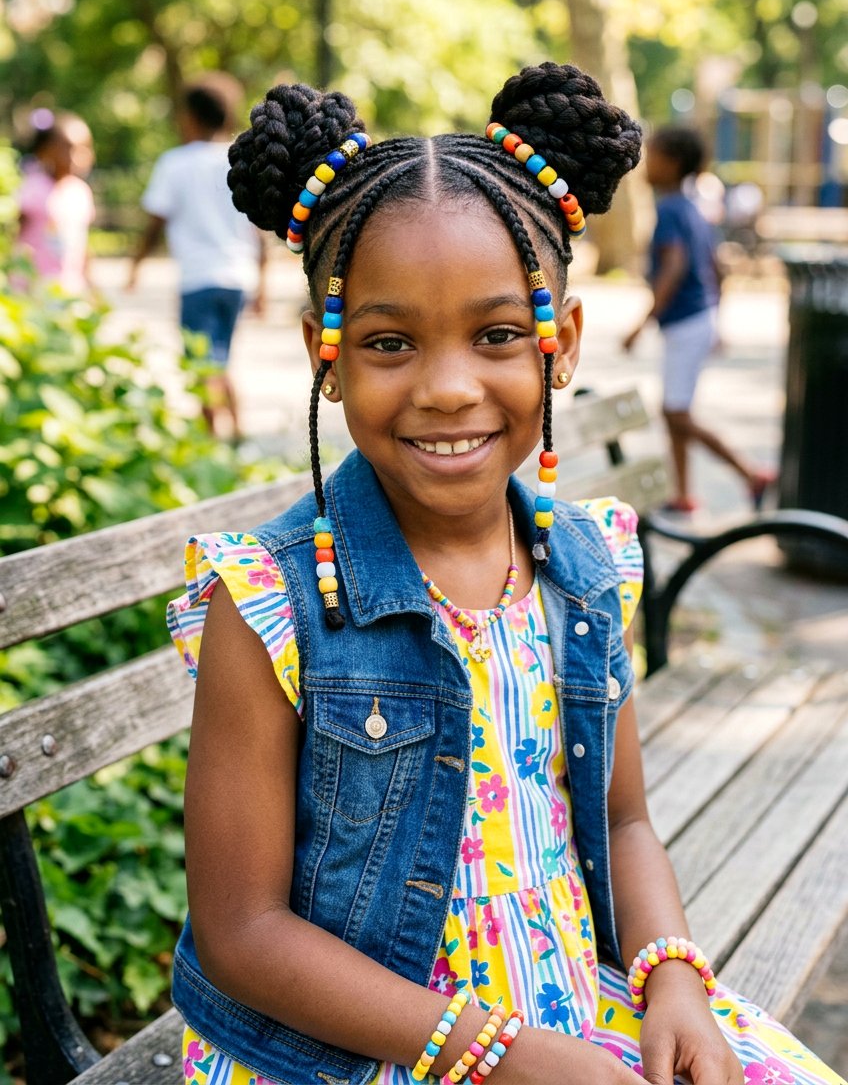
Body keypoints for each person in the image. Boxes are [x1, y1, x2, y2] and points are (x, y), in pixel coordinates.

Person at [167, 66, 843, 1085]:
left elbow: (620, 820)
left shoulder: (582, 568)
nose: (447, 388)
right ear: (326, 352)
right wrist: (495, 1049)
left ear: (557, 345)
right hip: (360, 1049)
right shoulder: (269, 602)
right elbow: (241, 931)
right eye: (389, 342)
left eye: (495, 335)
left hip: (560, 1007)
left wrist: (669, 980)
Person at [622, 125, 775, 513]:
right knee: (677, 411)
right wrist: (715, 320)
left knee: (675, 413)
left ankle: (750, 472)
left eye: (652, 154)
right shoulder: (692, 207)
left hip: (686, 322)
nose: (645, 162)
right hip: (696, 319)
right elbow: (716, 268)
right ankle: (683, 493)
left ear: (671, 163)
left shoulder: (671, 209)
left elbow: (675, 266)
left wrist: (642, 322)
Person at [129, 72, 267, 441]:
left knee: (202, 365)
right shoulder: (239, 161)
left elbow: (154, 223)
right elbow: (258, 228)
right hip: (238, 277)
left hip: (199, 280)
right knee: (220, 359)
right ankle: (238, 433)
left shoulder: (175, 164)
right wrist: (263, 282)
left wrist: (135, 266)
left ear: (189, 117)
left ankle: (213, 442)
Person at [16, 109, 96, 295]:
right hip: (34, 286)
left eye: (83, 148)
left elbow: (83, 242)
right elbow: (15, 234)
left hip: (69, 288)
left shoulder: (81, 192)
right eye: (67, 148)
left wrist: (90, 283)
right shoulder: (32, 189)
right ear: (44, 151)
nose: (75, 156)